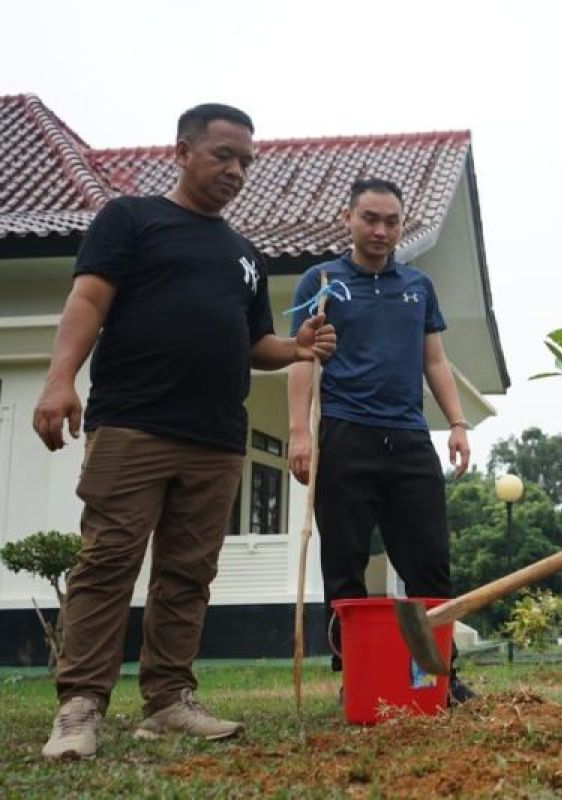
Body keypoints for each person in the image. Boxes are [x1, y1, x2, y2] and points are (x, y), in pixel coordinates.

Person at [31, 104, 336, 760]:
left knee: (188, 574)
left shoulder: (245, 255)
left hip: (218, 437)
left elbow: (254, 343)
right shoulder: (131, 219)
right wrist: (60, 379)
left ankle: (168, 701)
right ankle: (79, 707)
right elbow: (87, 301)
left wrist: (297, 345)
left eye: (246, 161)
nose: (236, 171)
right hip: (134, 424)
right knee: (107, 563)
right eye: (223, 155)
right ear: (182, 151)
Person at [286, 178, 475, 704]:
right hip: (345, 434)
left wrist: (457, 423)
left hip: (410, 437)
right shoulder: (321, 282)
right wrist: (301, 433)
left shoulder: (418, 286)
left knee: (429, 561)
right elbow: (302, 358)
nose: (381, 230)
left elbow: (433, 359)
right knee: (344, 561)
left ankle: (441, 675)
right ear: (348, 219)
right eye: (370, 218)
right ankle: (358, 672)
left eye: (391, 221)